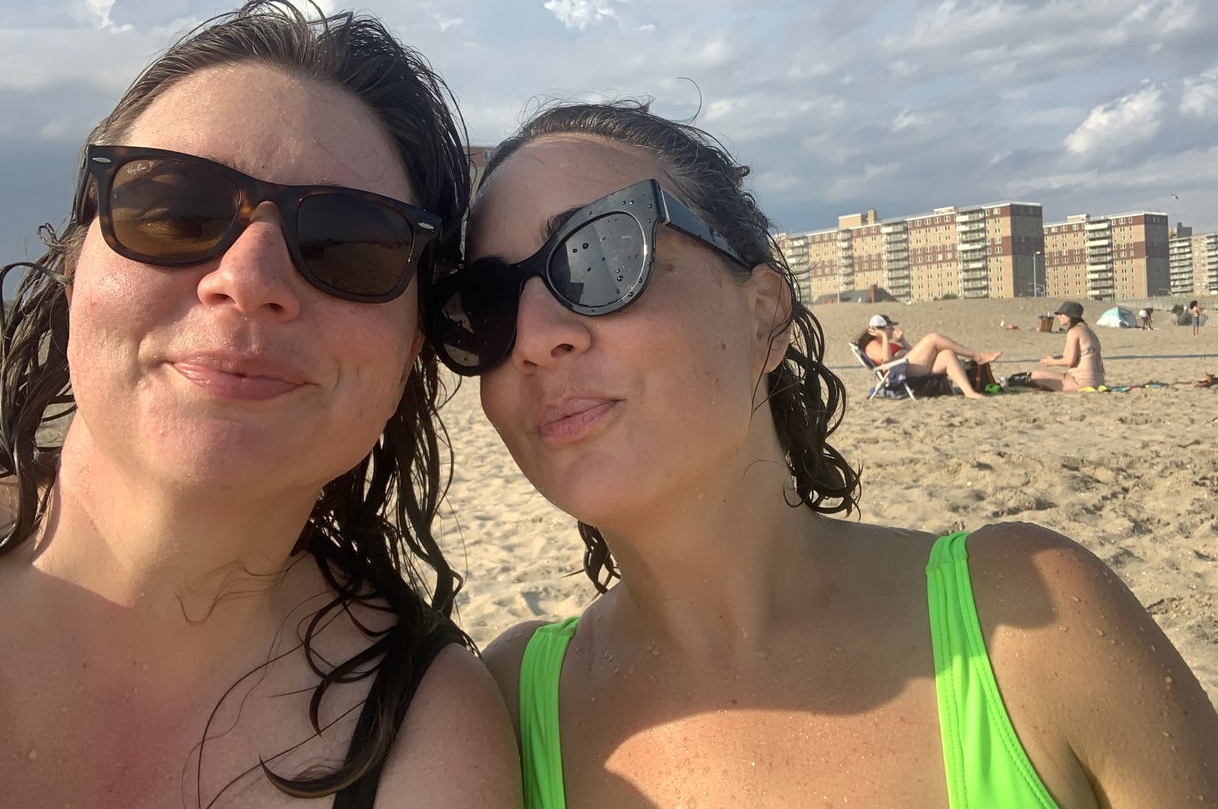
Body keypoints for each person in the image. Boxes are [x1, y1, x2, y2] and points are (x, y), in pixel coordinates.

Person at [425, 100, 1218, 808]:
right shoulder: (502, 710)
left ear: (765, 313)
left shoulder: (1034, 621)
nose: (532, 338)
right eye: (486, 306)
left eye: (597, 255)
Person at [0, 0, 519, 809]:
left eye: (350, 242)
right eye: (174, 208)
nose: (249, 279)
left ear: (411, 347)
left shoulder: (430, 737)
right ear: (76, 267)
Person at [854, 313, 1000, 399]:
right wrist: (885, 337)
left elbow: (914, 354)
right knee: (932, 338)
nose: (893, 330)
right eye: (890, 327)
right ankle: (976, 356)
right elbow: (886, 360)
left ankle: (969, 392)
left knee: (947, 354)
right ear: (879, 330)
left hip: (910, 367)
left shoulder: (884, 342)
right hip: (900, 374)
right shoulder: (872, 345)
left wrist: (902, 342)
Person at [1032, 300, 1106, 392]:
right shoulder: (1088, 330)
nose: (1058, 316)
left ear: (1070, 315)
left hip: (1081, 381)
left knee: (1036, 375)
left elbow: (1070, 361)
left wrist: (1052, 362)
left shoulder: (1074, 331)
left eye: (1061, 314)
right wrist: (1055, 359)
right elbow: (1081, 355)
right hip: (1099, 381)